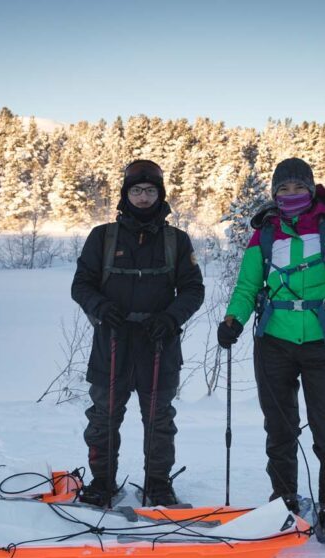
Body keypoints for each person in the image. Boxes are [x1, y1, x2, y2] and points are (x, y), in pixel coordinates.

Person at [216, 158, 325, 538]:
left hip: (324, 340)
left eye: (297, 188)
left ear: (311, 188)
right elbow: (247, 287)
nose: (290, 195)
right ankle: (283, 499)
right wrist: (233, 319)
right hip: (274, 343)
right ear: (274, 193)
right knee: (280, 430)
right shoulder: (265, 233)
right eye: (282, 189)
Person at [71, 160, 205, 507]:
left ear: (160, 195)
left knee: (159, 419)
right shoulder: (102, 237)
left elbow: (193, 289)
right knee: (103, 417)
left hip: (158, 342)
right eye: (136, 190)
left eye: (150, 191)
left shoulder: (177, 240)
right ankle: (102, 482)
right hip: (111, 341)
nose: (143, 197)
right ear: (125, 194)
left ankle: (158, 484)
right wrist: (101, 308)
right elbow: (81, 284)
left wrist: (171, 318)